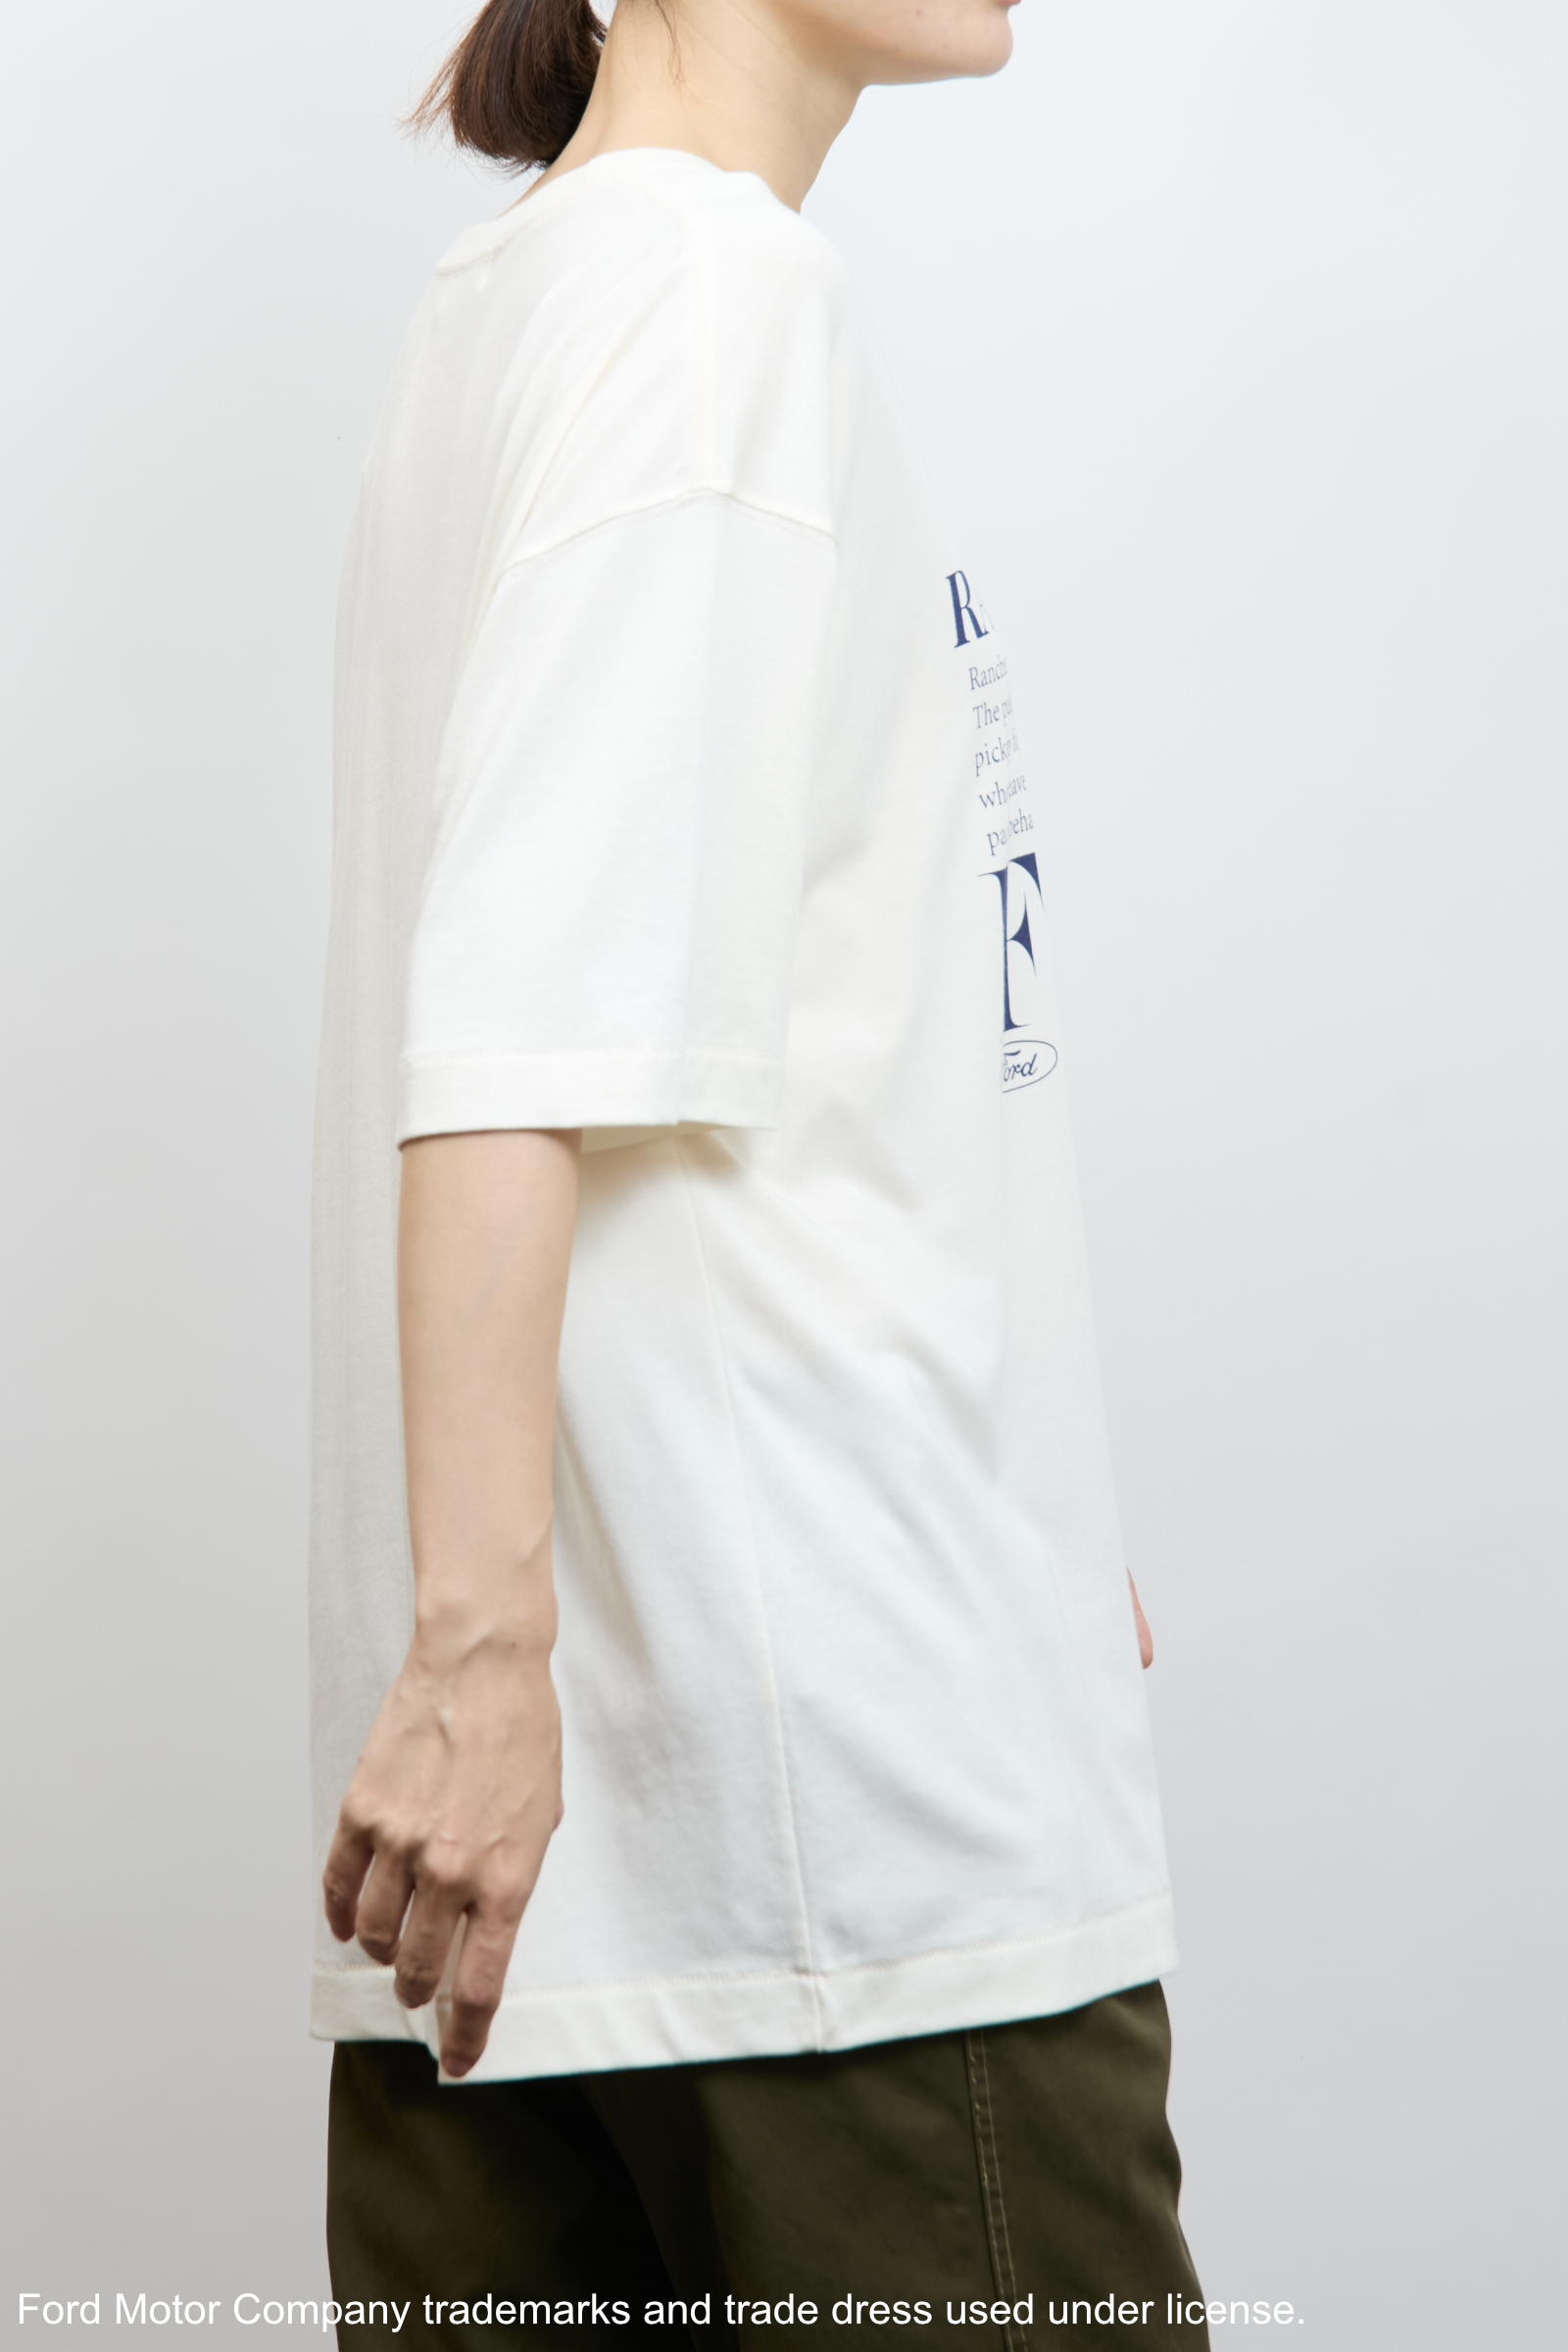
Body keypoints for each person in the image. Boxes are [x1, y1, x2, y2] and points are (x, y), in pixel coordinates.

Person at [310, 0, 1206, 2340]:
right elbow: (513, 1044)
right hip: (833, 1872)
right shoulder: (711, 294)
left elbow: (752, 1042)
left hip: (554, 1885)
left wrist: (1000, 1483)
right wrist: (479, 1653)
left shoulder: (515, 307)